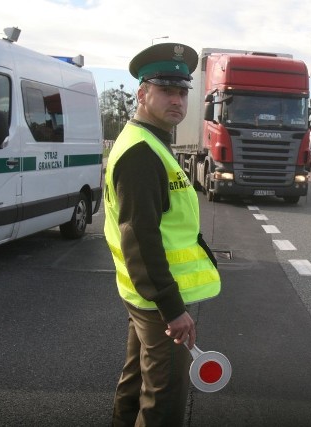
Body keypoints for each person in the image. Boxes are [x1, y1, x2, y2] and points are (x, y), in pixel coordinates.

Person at [104, 43, 221, 426]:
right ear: (142, 94)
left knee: (136, 381)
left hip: (141, 293)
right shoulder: (141, 153)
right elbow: (140, 238)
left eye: (182, 91)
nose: (176, 100)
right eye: (165, 90)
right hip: (156, 298)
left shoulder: (150, 141)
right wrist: (173, 310)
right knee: (163, 402)